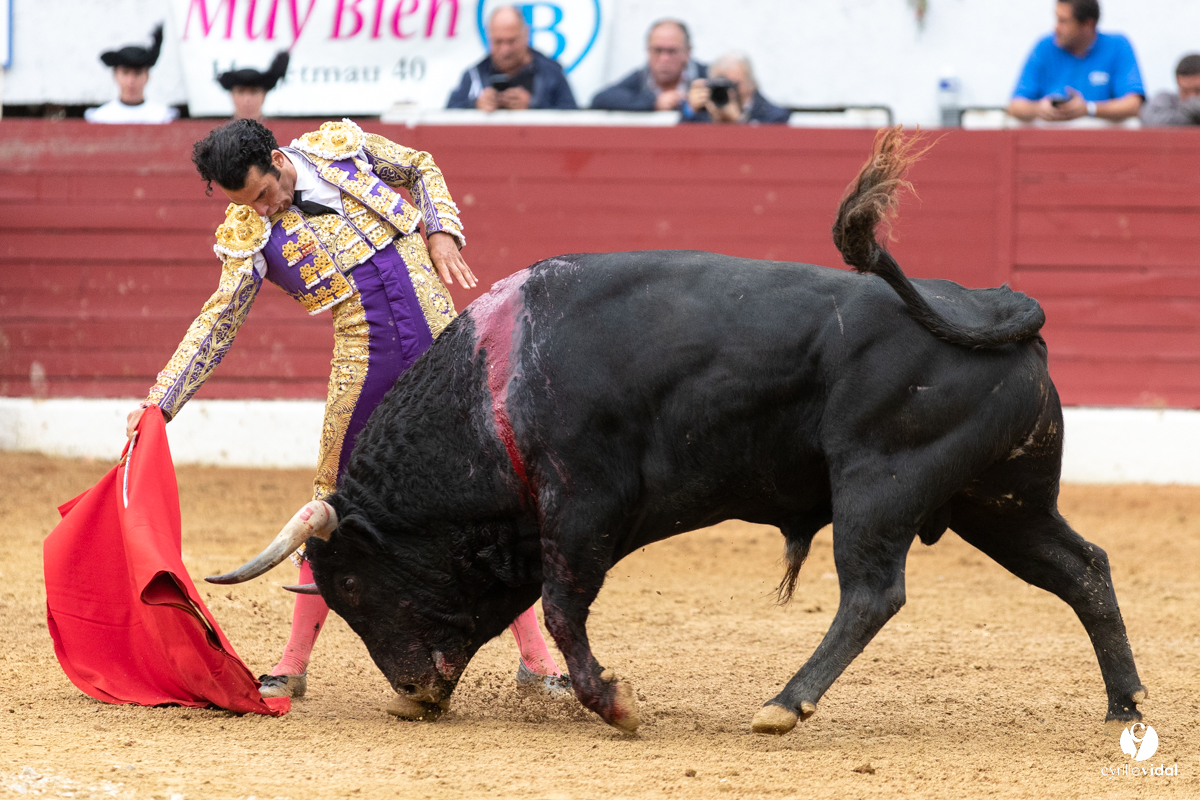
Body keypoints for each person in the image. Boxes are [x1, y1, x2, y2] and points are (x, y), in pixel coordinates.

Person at [124, 119, 570, 700]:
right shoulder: (249, 233)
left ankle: (536, 662)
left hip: (446, 350)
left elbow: (419, 165)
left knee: (487, 497)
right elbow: (219, 320)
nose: (261, 210)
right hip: (365, 367)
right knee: (332, 505)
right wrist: (161, 401)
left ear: (277, 159)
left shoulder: (340, 150)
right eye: (247, 204)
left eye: (263, 194)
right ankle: (292, 664)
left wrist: (440, 231)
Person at [1007, 0, 1143, 123]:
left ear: (1088, 25)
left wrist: (1089, 109)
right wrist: (1038, 109)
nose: (1056, 27)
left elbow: (1134, 105)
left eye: (1063, 21)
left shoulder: (1117, 46)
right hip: (1050, 139)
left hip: (1101, 141)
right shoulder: (1044, 46)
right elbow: (1015, 106)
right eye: (1057, 19)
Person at [447, 6, 576, 111]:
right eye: (498, 42)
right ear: (488, 37)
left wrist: (532, 107)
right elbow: (448, 117)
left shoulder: (551, 73)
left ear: (526, 34)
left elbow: (572, 118)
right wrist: (476, 105)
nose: (505, 50)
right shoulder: (474, 75)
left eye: (511, 41)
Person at [590, 19, 706, 113]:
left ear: (687, 52)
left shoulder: (706, 76)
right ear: (648, 51)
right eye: (657, 50)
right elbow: (601, 99)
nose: (664, 58)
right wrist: (654, 102)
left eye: (672, 51)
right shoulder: (640, 77)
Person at [85, 24, 179, 124]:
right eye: (125, 73)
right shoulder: (101, 117)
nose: (131, 80)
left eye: (137, 73)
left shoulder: (162, 117)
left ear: (147, 76)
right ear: (115, 75)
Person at [685, 52, 790, 124]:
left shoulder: (774, 116)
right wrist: (690, 110)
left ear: (751, 84)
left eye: (734, 85)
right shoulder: (701, 113)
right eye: (720, 86)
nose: (729, 92)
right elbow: (679, 141)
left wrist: (739, 123)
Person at [217, 52, 289, 121]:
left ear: (264, 95)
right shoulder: (216, 129)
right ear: (232, 95)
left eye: (253, 92)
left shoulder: (280, 128)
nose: (247, 100)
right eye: (241, 92)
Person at [1142, 54, 1200, 126]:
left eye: (1198, 91)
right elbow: (1149, 119)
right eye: (1185, 91)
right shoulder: (1165, 100)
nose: (1191, 97)